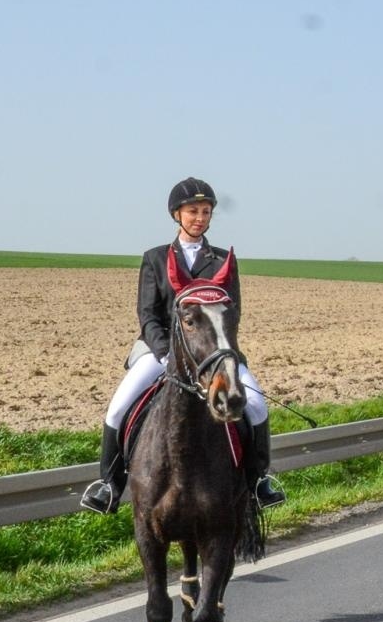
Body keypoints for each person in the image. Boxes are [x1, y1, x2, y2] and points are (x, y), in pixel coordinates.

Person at [80, 178, 285, 514]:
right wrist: (166, 353)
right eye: (193, 211)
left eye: (206, 212)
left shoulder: (222, 260)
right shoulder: (155, 259)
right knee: (118, 408)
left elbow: (232, 314)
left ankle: (258, 481)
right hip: (159, 351)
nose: (200, 218)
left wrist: (220, 354)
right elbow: (147, 315)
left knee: (258, 406)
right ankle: (109, 485)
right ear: (177, 214)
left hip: (210, 354)